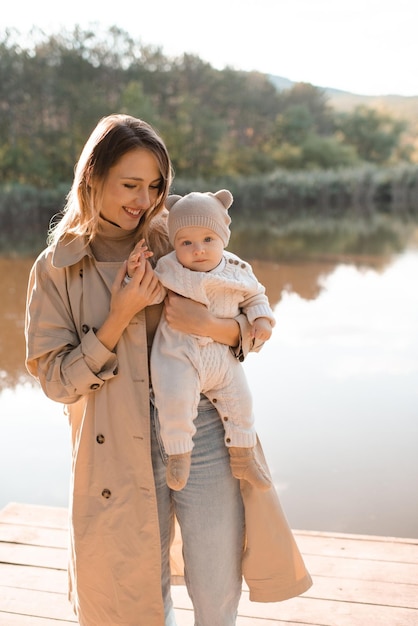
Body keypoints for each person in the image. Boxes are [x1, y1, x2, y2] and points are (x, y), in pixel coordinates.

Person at [25, 113, 312, 626]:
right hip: (114, 447)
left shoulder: (176, 237)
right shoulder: (56, 268)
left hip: (202, 431)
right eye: (130, 184)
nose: (142, 199)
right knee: (134, 600)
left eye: (155, 186)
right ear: (92, 178)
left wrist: (215, 326)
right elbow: (54, 382)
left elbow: (249, 311)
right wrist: (118, 318)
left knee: (217, 588)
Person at [126, 189, 275, 492]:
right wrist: (135, 273)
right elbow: (150, 293)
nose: (198, 250)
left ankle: (243, 456)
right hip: (180, 355)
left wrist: (261, 320)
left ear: (223, 238)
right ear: (175, 244)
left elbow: (255, 296)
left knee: (241, 401)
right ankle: (179, 454)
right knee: (175, 399)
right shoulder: (170, 268)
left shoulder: (237, 269)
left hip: (223, 359)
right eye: (186, 242)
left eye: (208, 239)